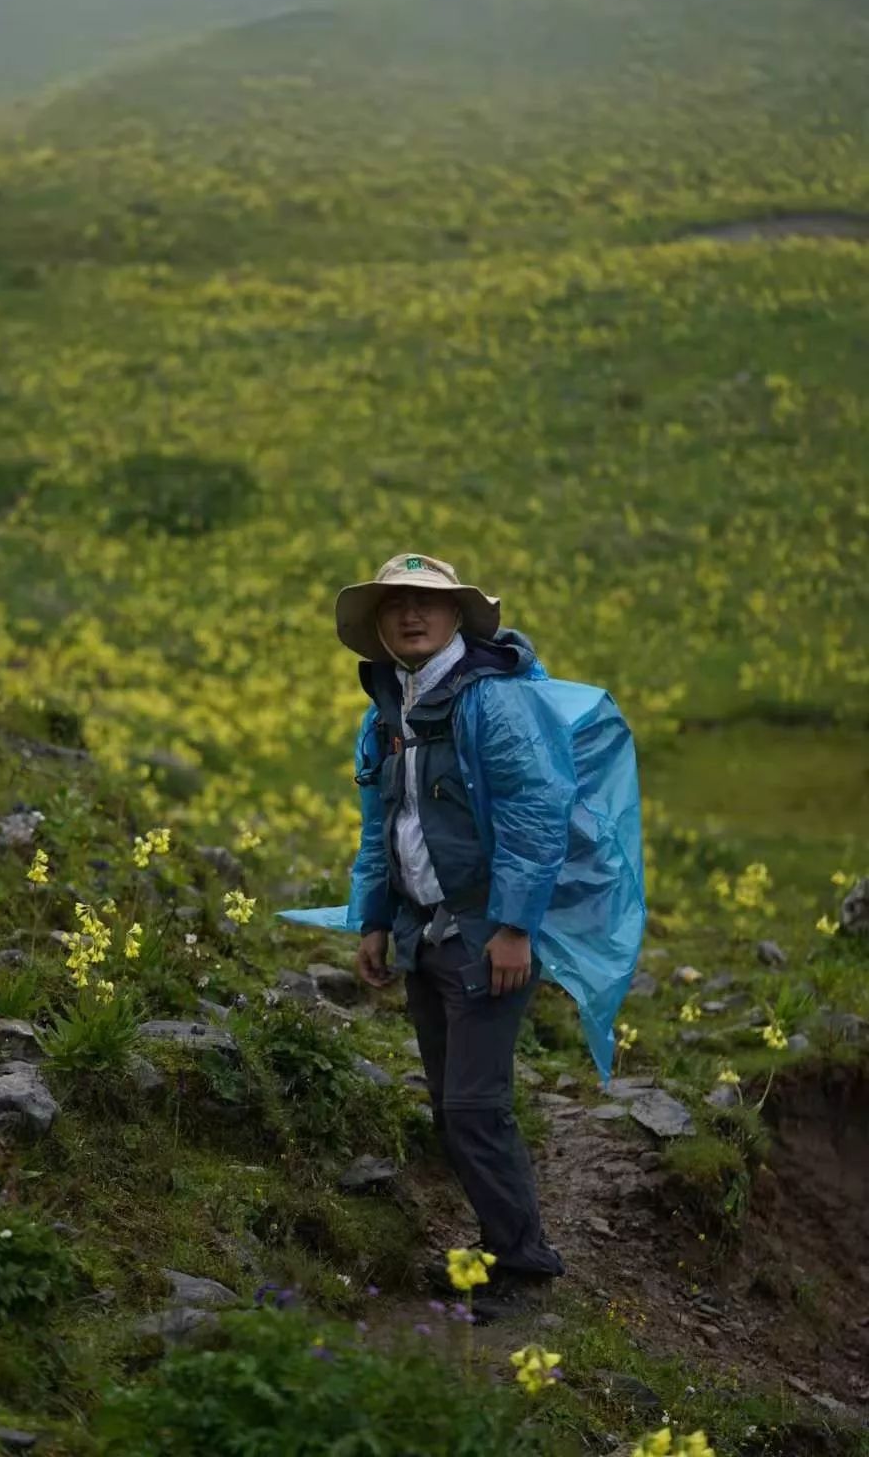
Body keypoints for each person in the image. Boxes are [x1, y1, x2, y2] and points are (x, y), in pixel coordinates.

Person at [325, 551, 645, 1319]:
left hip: (485, 936)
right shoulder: (388, 715)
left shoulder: (492, 703)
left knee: (473, 1108)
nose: (411, 615)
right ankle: (503, 1251)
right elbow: (383, 828)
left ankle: (523, 1264)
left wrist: (512, 928)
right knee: (449, 1104)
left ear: (459, 616)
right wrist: (373, 919)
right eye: (396, 604)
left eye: (428, 604)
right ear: (377, 624)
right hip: (424, 935)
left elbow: (537, 816)